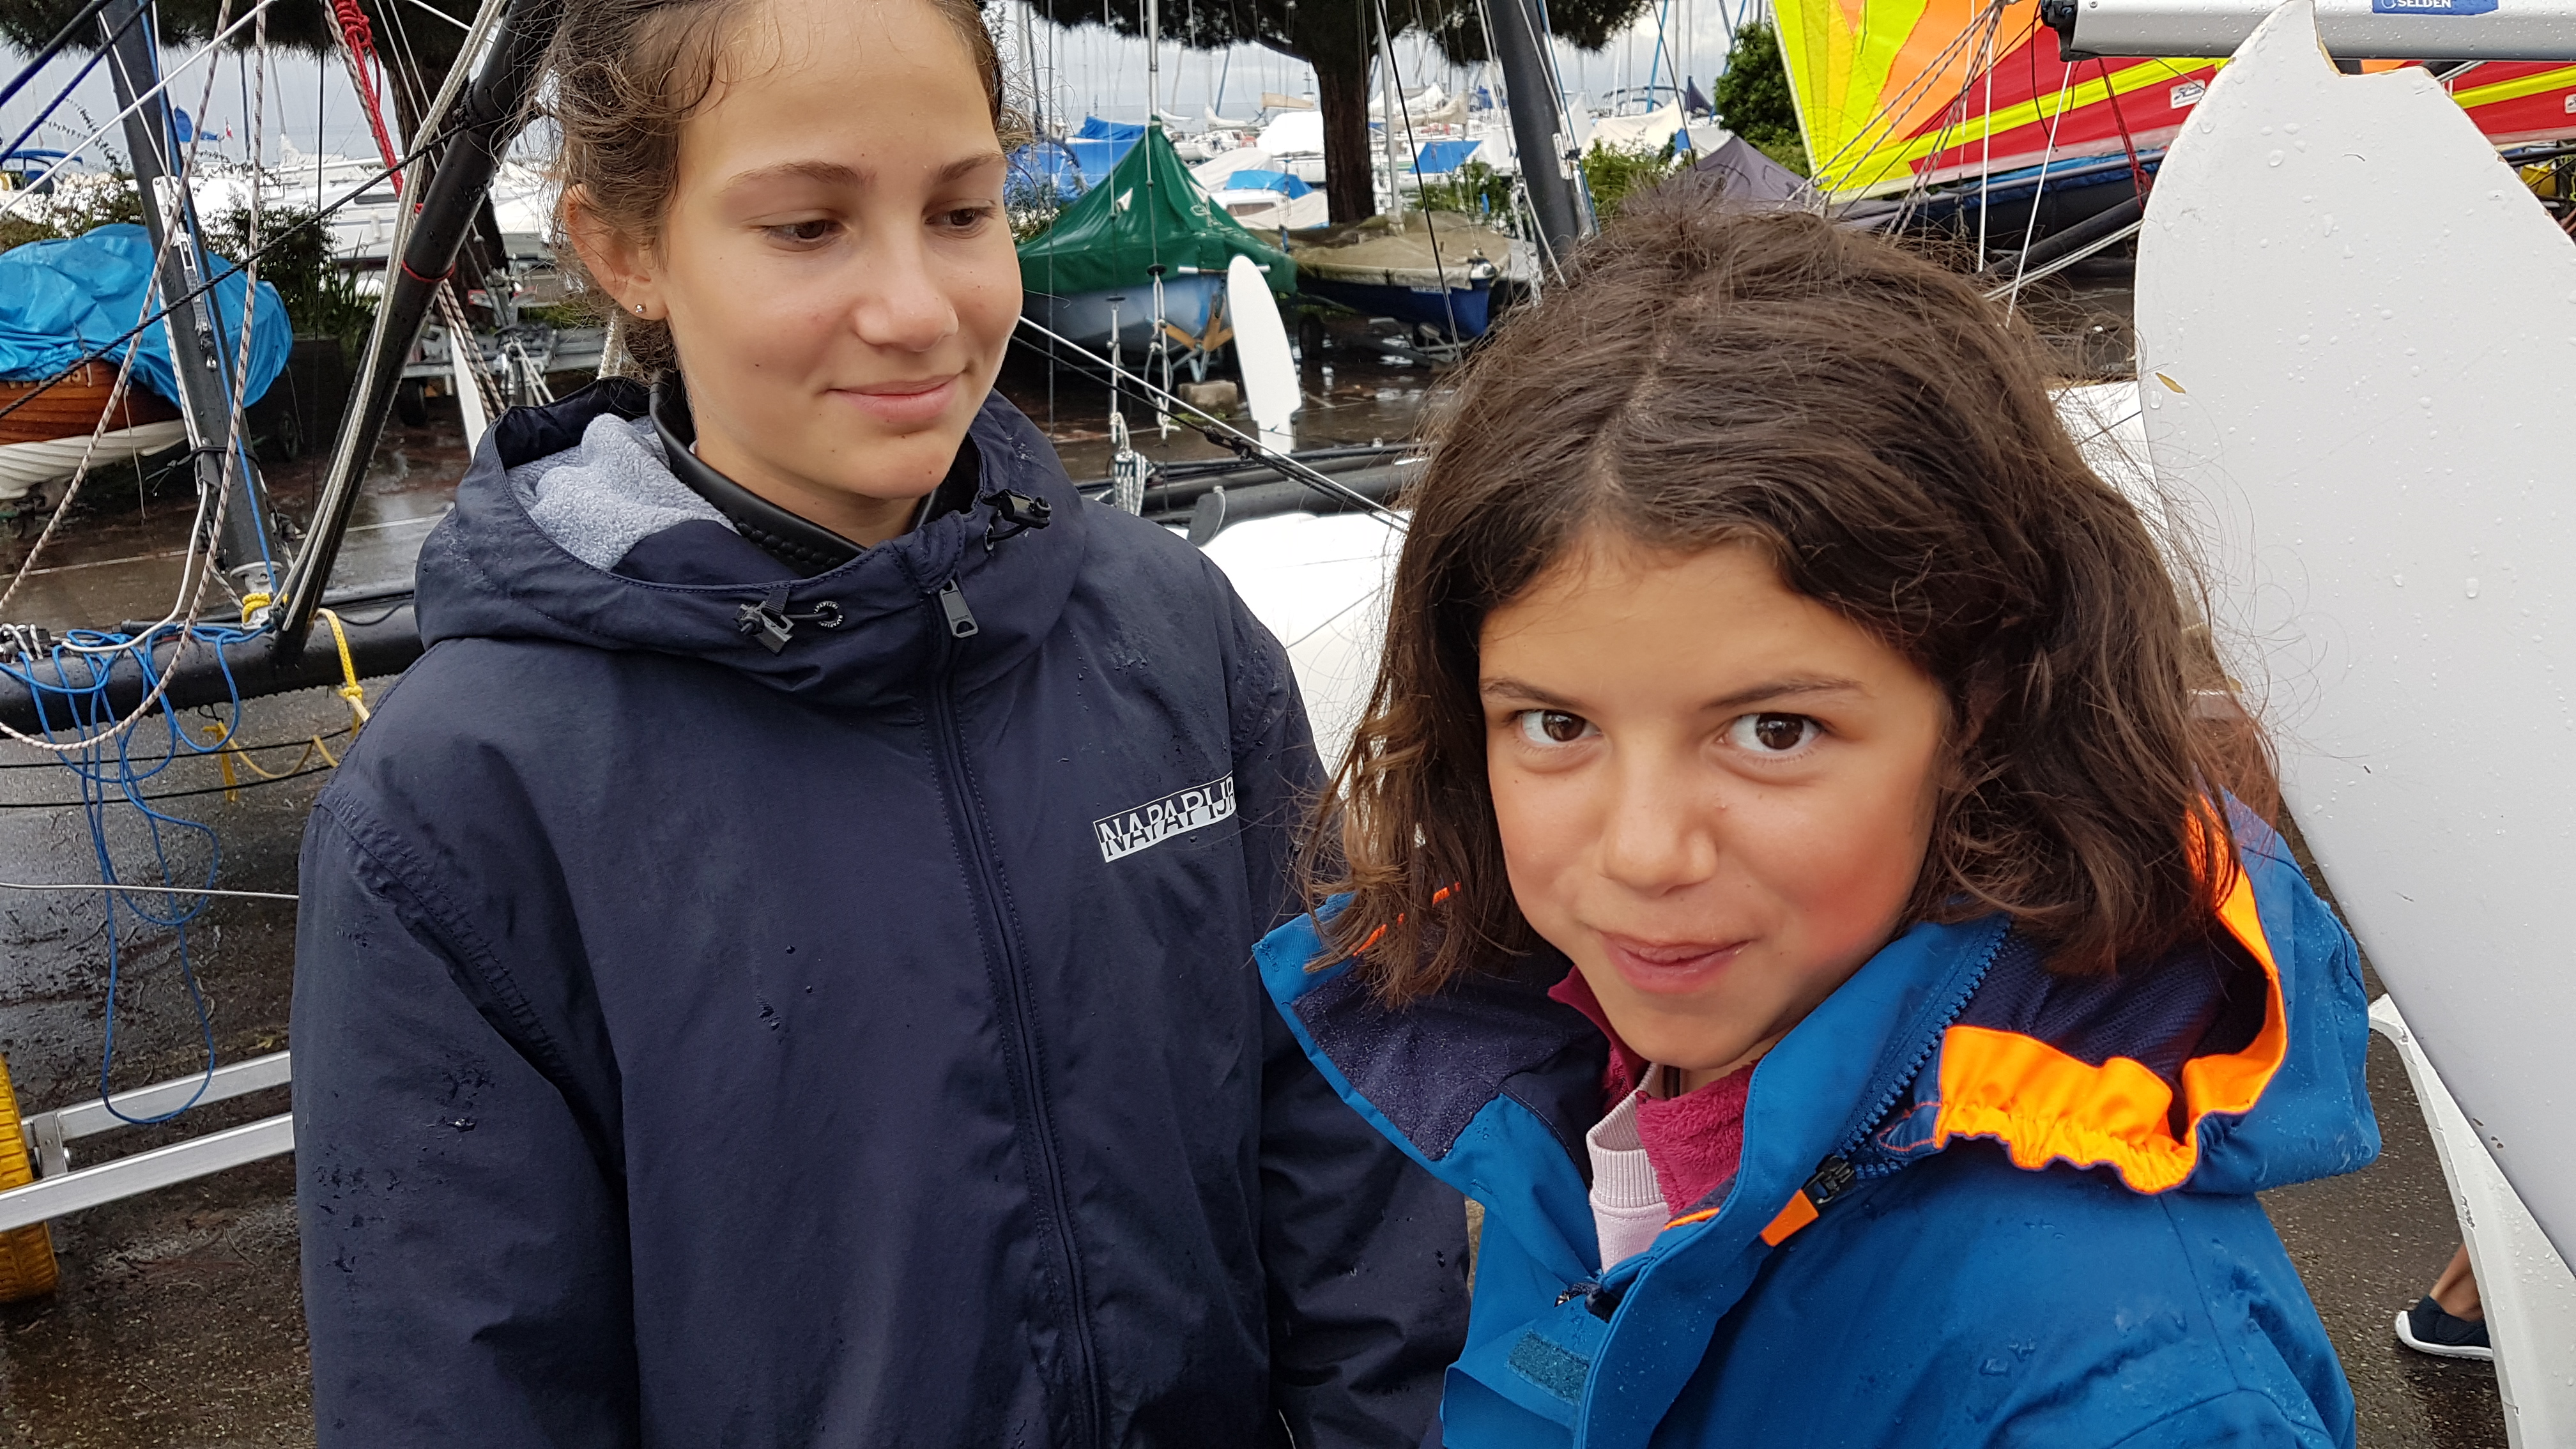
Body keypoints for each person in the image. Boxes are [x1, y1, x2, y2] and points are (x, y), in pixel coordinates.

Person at [289, 0, 1467, 1441]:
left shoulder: (1178, 636)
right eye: (807, 228)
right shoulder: (464, 805)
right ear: (624, 248)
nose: (915, 310)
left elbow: (1346, 1151)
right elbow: (455, 1381)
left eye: (962, 211)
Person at [1257, 182, 2381, 1447]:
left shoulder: (2130, 1389)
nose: (1645, 853)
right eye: (1556, 726)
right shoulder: (1569, 1092)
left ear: (1983, 718)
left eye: (1773, 732)